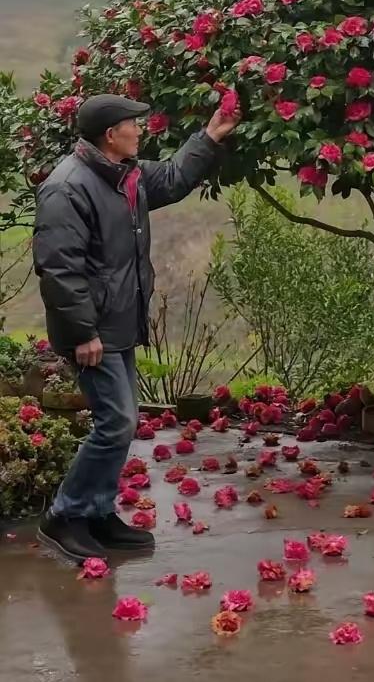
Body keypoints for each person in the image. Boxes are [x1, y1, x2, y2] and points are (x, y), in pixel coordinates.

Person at [32, 93, 241, 563]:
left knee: (122, 423)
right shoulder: (68, 187)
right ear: (111, 135)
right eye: (133, 124)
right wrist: (83, 331)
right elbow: (59, 268)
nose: (141, 130)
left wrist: (209, 136)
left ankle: (98, 511)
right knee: (117, 422)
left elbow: (171, 177)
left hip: (119, 321)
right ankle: (65, 516)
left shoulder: (124, 175)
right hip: (93, 329)